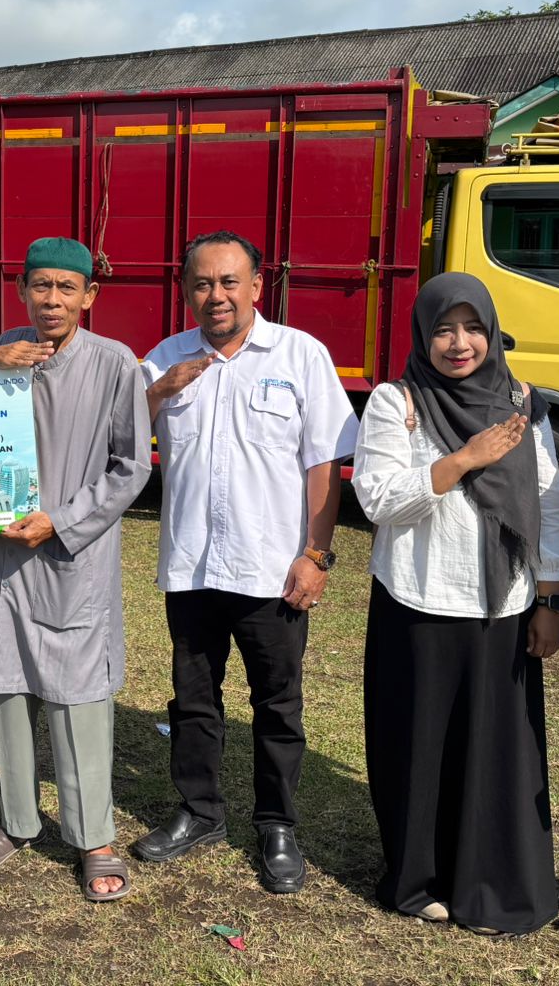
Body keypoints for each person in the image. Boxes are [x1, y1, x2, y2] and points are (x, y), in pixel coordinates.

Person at [131, 230, 357, 893]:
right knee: (194, 702)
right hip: (193, 568)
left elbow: (324, 462)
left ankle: (277, 825)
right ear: (186, 291)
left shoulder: (300, 356)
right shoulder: (165, 360)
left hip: (272, 571)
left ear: (258, 285)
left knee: (277, 705)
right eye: (202, 283)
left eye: (230, 281)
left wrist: (316, 554)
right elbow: (114, 438)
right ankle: (199, 812)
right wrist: (156, 392)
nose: (216, 295)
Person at [351, 273, 559, 935]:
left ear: (491, 331)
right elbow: (378, 499)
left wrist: (550, 598)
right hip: (417, 603)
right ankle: (416, 880)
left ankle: (486, 881)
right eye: (443, 328)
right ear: (423, 333)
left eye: (473, 327)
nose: (459, 343)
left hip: (501, 606)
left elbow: (550, 505)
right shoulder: (398, 401)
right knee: (418, 750)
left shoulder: (519, 403)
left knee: (492, 754)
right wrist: (464, 459)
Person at [0, 237, 151, 902]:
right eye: (41, 286)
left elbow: (133, 466)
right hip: (5, 552)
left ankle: (92, 833)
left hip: (71, 552)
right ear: (22, 289)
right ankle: (17, 819)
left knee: (77, 694)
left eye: (68, 288)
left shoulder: (115, 364)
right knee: (9, 688)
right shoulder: (2, 350)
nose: (53, 300)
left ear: (89, 297)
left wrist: (61, 521)